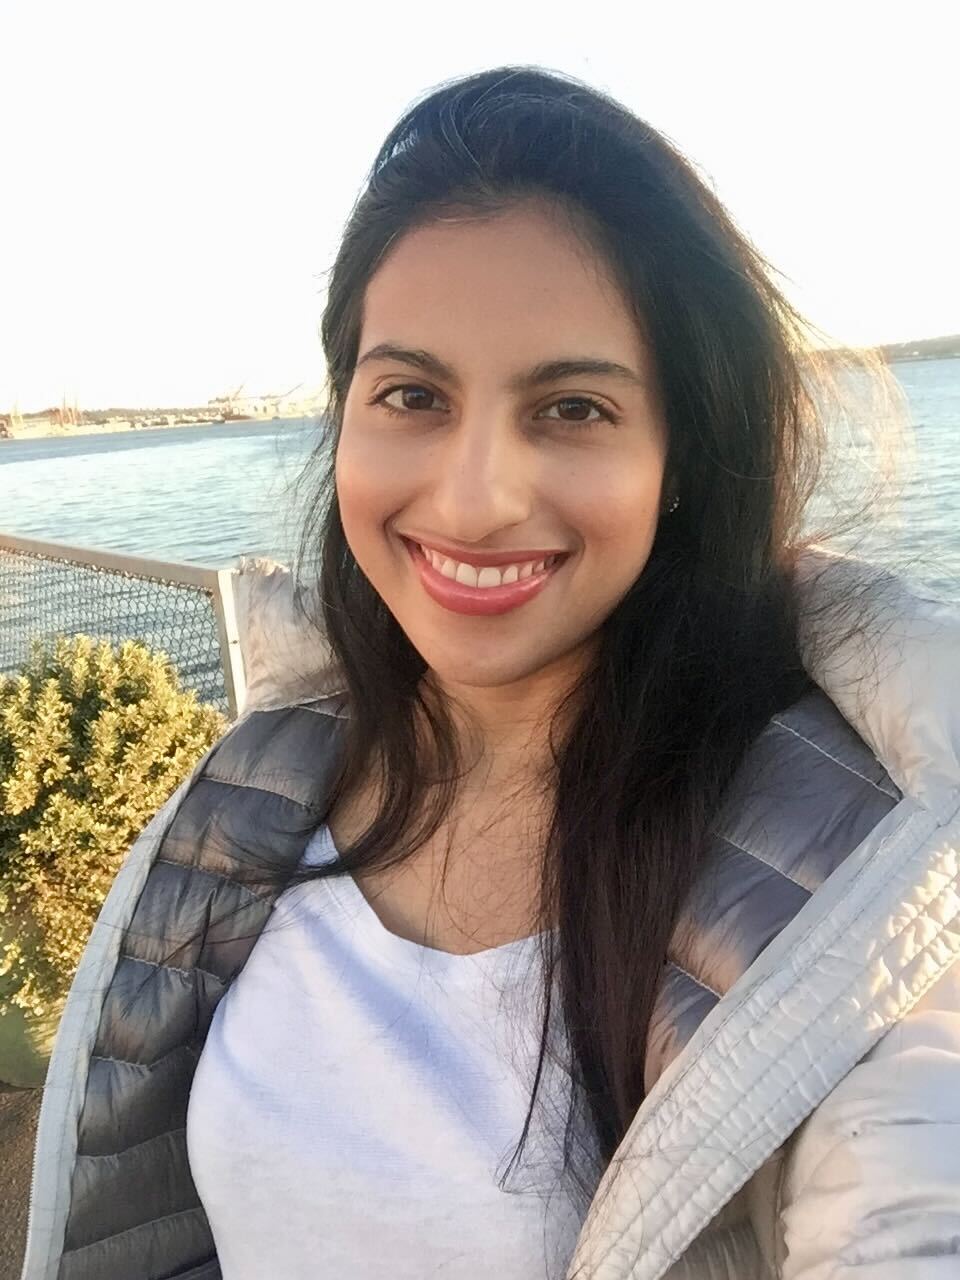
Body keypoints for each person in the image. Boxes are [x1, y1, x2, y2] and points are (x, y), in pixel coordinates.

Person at [20, 66, 960, 1280]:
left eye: (571, 408)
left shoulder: (869, 897)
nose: (472, 500)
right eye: (412, 394)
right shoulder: (254, 782)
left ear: (680, 453)